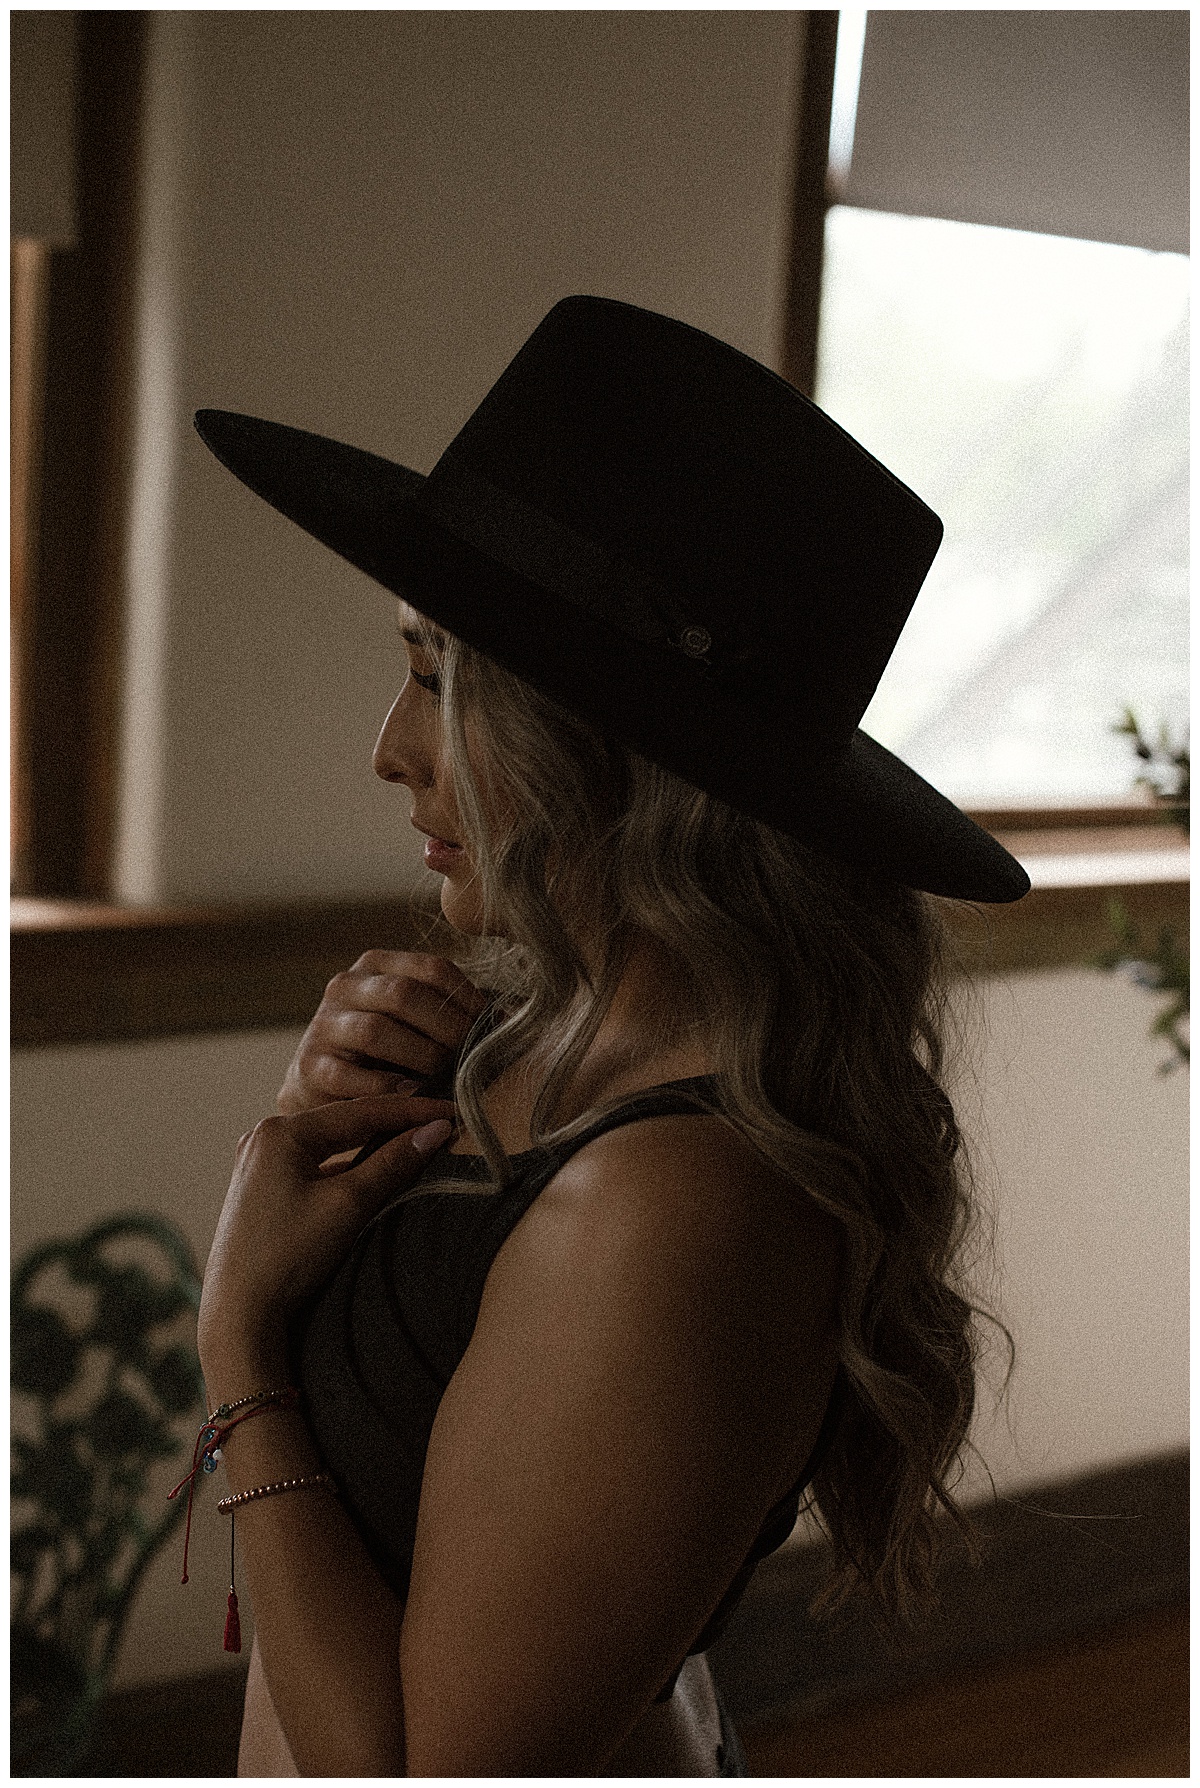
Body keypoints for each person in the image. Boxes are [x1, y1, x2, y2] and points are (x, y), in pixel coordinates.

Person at [193, 296, 1028, 1777]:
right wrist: (334, 1141)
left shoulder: (674, 1203)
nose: (391, 746)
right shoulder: (534, 1044)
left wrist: (242, 1343)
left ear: (611, 746)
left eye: (443, 679)